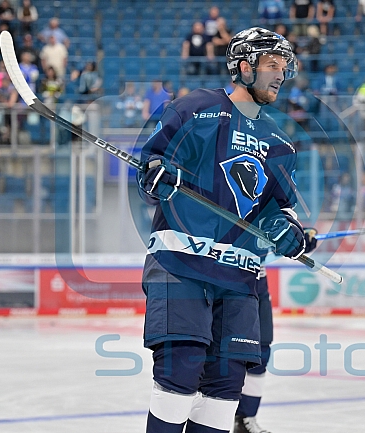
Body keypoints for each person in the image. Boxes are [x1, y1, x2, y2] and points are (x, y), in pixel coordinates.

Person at [136, 27, 305, 433]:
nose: (280, 74)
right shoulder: (195, 109)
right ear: (244, 68)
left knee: (224, 391)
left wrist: (289, 233)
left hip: (239, 279)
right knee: (180, 375)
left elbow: (278, 213)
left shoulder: (280, 143)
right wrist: (156, 174)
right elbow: (151, 167)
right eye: (271, 65)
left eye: (283, 66)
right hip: (182, 265)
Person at [233, 232, 317, 433]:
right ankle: (205, 421)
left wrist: (297, 240)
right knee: (217, 355)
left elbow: (274, 233)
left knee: (260, 352)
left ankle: (246, 419)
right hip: (228, 284)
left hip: (258, 285)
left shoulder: (267, 202)